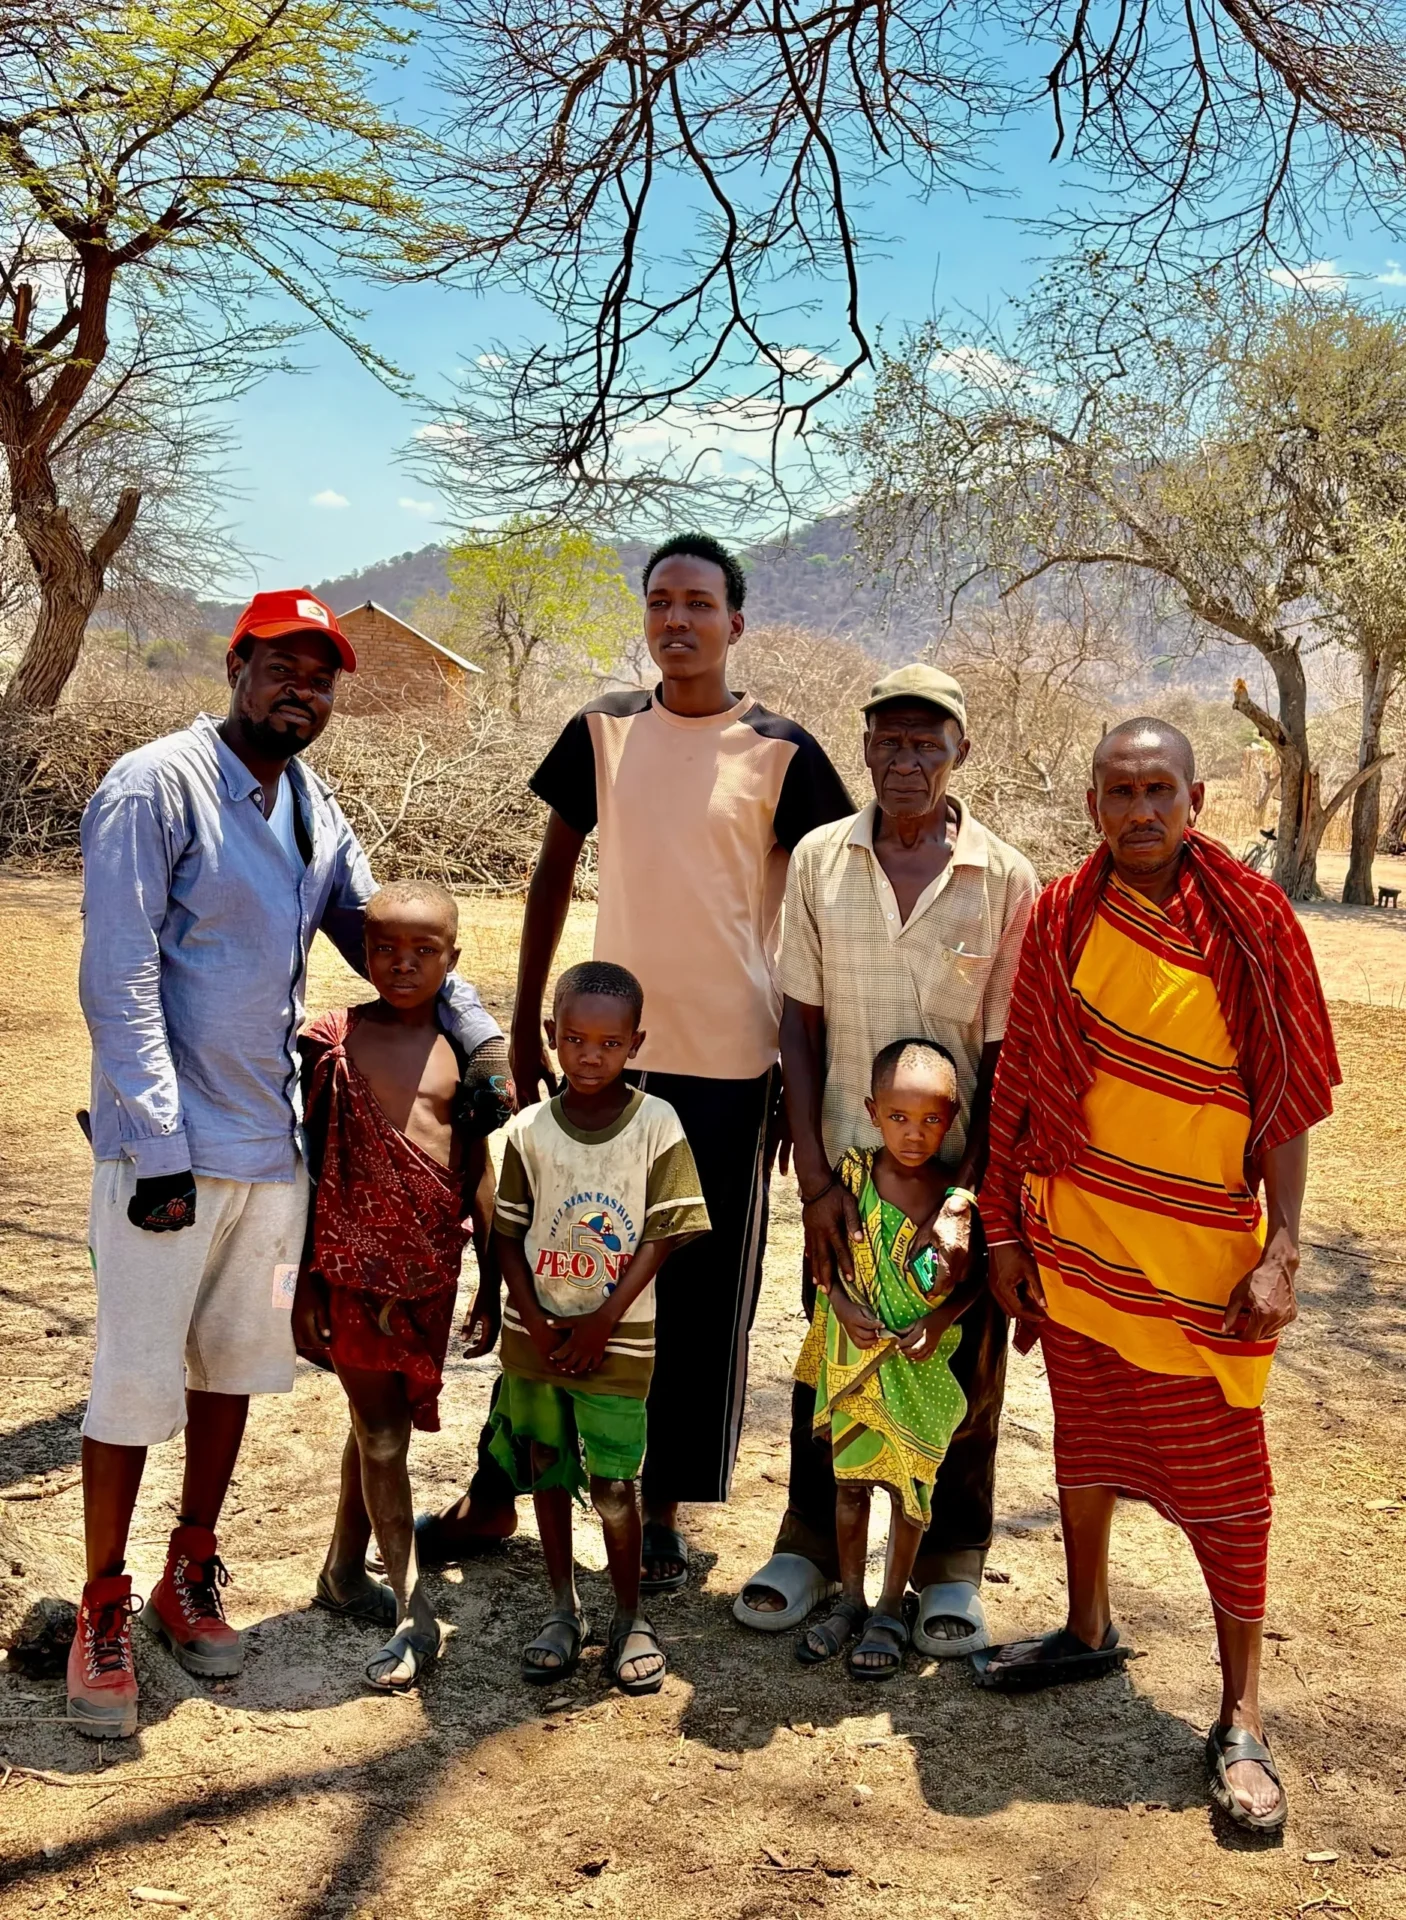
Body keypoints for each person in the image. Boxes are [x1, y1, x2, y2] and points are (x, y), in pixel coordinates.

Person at [69, 590, 505, 1739]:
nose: (300, 689)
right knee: (134, 1380)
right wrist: (160, 1145)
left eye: (320, 676)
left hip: (269, 1145)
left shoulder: (311, 809)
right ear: (236, 665)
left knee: (229, 1371)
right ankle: (102, 1606)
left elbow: (384, 936)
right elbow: (118, 978)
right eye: (281, 667)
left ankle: (189, 1573)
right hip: (166, 1152)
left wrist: (480, 1035)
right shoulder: (154, 786)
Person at [411, 533, 853, 1591]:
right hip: (603, 1062)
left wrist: (801, 1076)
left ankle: (659, 1511)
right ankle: (503, 1487)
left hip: (731, 1067)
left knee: (696, 1294)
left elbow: (822, 913)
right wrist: (531, 1026)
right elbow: (550, 875)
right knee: (566, 1263)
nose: (677, 620)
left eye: (698, 603)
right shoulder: (602, 731)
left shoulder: (783, 752)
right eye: (660, 601)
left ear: (735, 623)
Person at [976, 718, 1339, 1834]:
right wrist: (1005, 1231)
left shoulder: (1255, 920)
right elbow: (1022, 1078)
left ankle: (1241, 1714)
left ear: (1194, 801)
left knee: (1227, 1487)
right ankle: (1087, 1625)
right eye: (1119, 792)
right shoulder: (1059, 913)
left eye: (1158, 791)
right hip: (1079, 1242)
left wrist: (1282, 1248)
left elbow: (1285, 1092)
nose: (1139, 810)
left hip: (1202, 1262)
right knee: (1085, 1443)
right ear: (1093, 804)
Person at [737, 664, 1038, 1656]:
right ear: (864, 746)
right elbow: (799, 1025)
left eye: (926, 742)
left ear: (960, 752)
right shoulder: (821, 859)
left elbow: (1006, 1053)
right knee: (832, 1352)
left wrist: (974, 1196)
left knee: (958, 1369)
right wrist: (818, 1181)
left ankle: (950, 1564)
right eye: (889, 740)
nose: (905, 760)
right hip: (848, 1179)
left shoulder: (1004, 877)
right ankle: (809, 1547)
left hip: (954, 1180)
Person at [294, 881, 498, 1692]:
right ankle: (415, 1611)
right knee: (381, 1433)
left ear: (453, 958)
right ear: (363, 952)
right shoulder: (330, 1045)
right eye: (384, 949)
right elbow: (306, 1172)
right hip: (346, 1272)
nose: (402, 965)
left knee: (380, 1420)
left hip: (429, 1273)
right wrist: (300, 1284)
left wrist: (493, 1279)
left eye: (423, 951)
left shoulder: (465, 1056)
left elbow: (477, 1172)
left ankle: (344, 1572)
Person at [489, 962, 710, 1693]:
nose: (590, 1056)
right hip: (536, 1339)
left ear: (635, 1044)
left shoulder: (656, 1124)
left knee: (616, 1483)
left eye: (610, 1044)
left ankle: (628, 1616)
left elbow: (665, 1233)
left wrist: (600, 1321)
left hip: (618, 1340)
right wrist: (532, 1317)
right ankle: (563, 1608)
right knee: (547, 1467)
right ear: (552, 1035)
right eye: (576, 1040)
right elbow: (506, 1234)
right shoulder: (528, 1131)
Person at [793, 1039, 983, 1680]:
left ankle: (890, 1608)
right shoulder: (850, 1178)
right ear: (873, 1113)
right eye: (898, 1118)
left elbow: (974, 1281)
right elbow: (825, 1261)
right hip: (854, 1360)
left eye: (931, 1120)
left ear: (951, 1120)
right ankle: (850, 1599)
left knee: (909, 1491)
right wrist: (841, 1306)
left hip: (918, 1367)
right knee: (849, 1486)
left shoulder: (954, 1200)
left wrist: (939, 1319)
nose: (913, 1133)